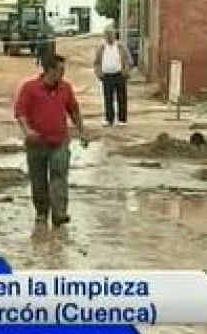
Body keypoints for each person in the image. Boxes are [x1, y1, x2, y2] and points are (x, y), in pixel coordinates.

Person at [14, 54, 88, 228]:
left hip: (60, 142)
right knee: (38, 181)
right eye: (60, 70)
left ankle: (59, 213)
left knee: (59, 176)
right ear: (49, 70)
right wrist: (27, 131)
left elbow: (74, 111)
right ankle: (41, 212)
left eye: (64, 70)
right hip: (37, 143)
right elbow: (20, 113)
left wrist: (82, 132)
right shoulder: (30, 88)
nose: (63, 74)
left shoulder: (66, 88)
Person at [94, 28, 131, 126]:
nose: (109, 36)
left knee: (121, 98)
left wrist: (126, 71)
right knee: (108, 98)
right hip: (106, 76)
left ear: (115, 35)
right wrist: (99, 73)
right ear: (105, 36)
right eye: (107, 34)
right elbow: (96, 62)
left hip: (119, 75)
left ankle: (122, 120)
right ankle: (109, 119)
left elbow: (128, 60)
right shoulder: (101, 48)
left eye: (111, 34)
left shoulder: (120, 47)